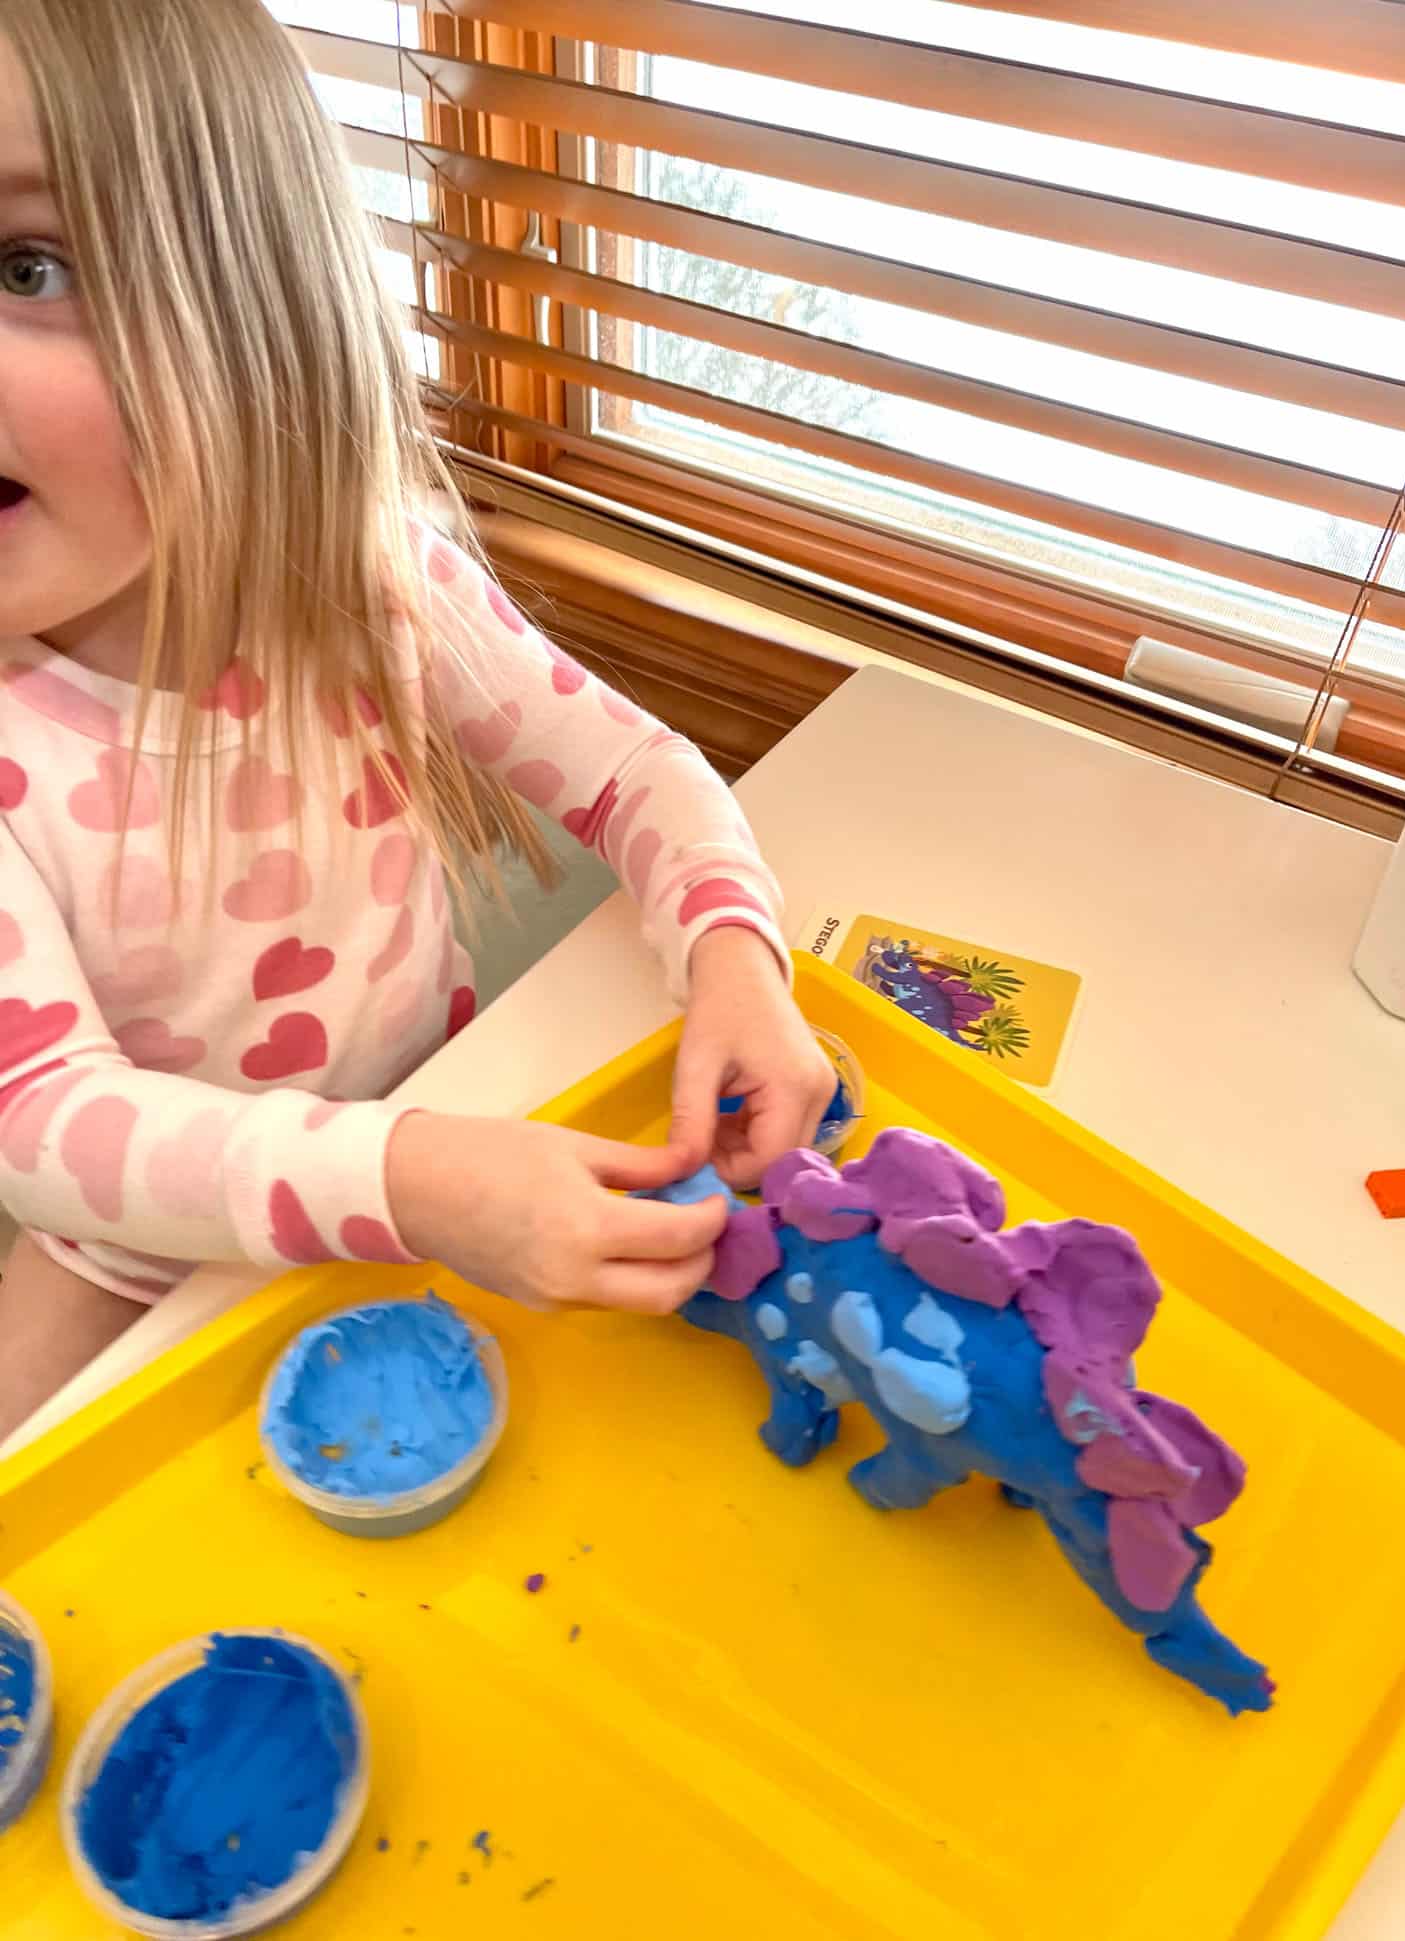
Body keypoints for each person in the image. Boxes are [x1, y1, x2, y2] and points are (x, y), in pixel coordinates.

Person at [0, 0, 834, 1439]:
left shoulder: (370, 579)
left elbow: (634, 771)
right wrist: (416, 1179)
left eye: (29, 266)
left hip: (451, 1134)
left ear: (258, 312)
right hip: (141, 1262)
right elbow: (45, 1118)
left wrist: (736, 961)